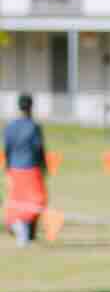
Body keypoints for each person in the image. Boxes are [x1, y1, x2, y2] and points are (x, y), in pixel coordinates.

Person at [4, 94, 47, 246]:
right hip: (30, 169)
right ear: (31, 106)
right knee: (37, 200)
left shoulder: (10, 126)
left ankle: (25, 232)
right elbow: (39, 149)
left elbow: (7, 149)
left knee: (18, 201)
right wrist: (44, 167)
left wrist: (7, 168)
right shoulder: (33, 126)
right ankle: (21, 229)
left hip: (15, 169)